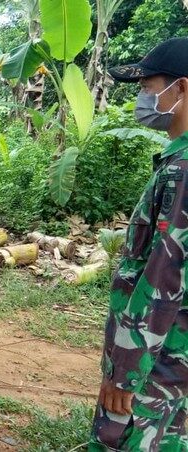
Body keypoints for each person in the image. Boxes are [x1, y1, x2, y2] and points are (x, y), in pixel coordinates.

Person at [89, 37, 188, 450]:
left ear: (180, 88)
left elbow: (164, 276)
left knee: (126, 440)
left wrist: (126, 370)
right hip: (168, 357)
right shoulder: (176, 161)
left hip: (155, 364)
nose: (142, 97)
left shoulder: (182, 172)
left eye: (148, 86)